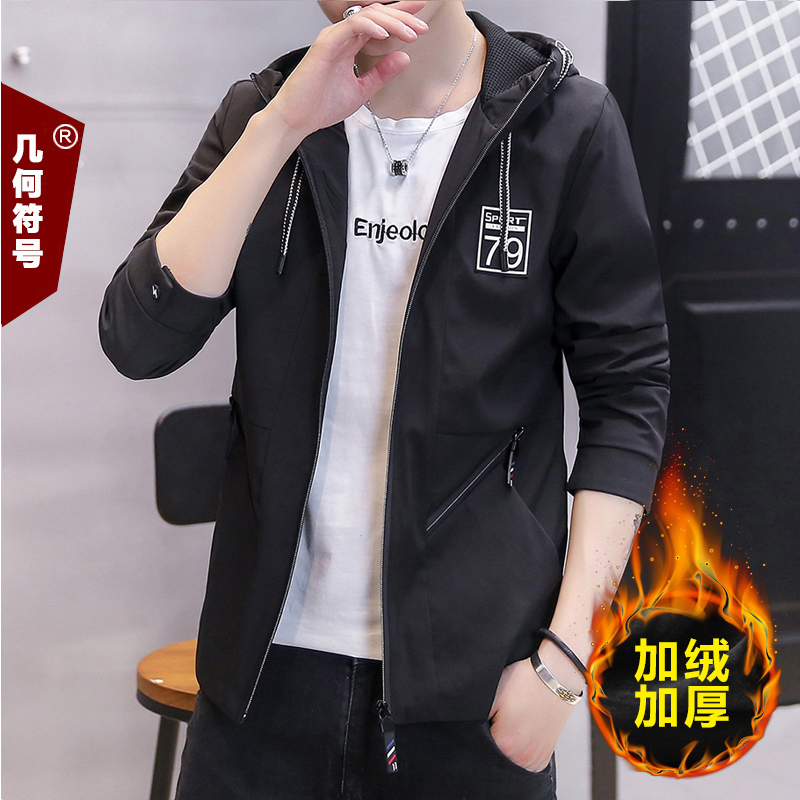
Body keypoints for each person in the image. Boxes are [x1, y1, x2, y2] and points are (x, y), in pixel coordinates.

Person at [98, 1, 670, 797]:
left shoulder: (565, 124)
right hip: (260, 682)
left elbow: (628, 397)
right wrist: (282, 125)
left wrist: (567, 658)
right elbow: (139, 339)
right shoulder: (266, 112)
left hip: (473, 690)